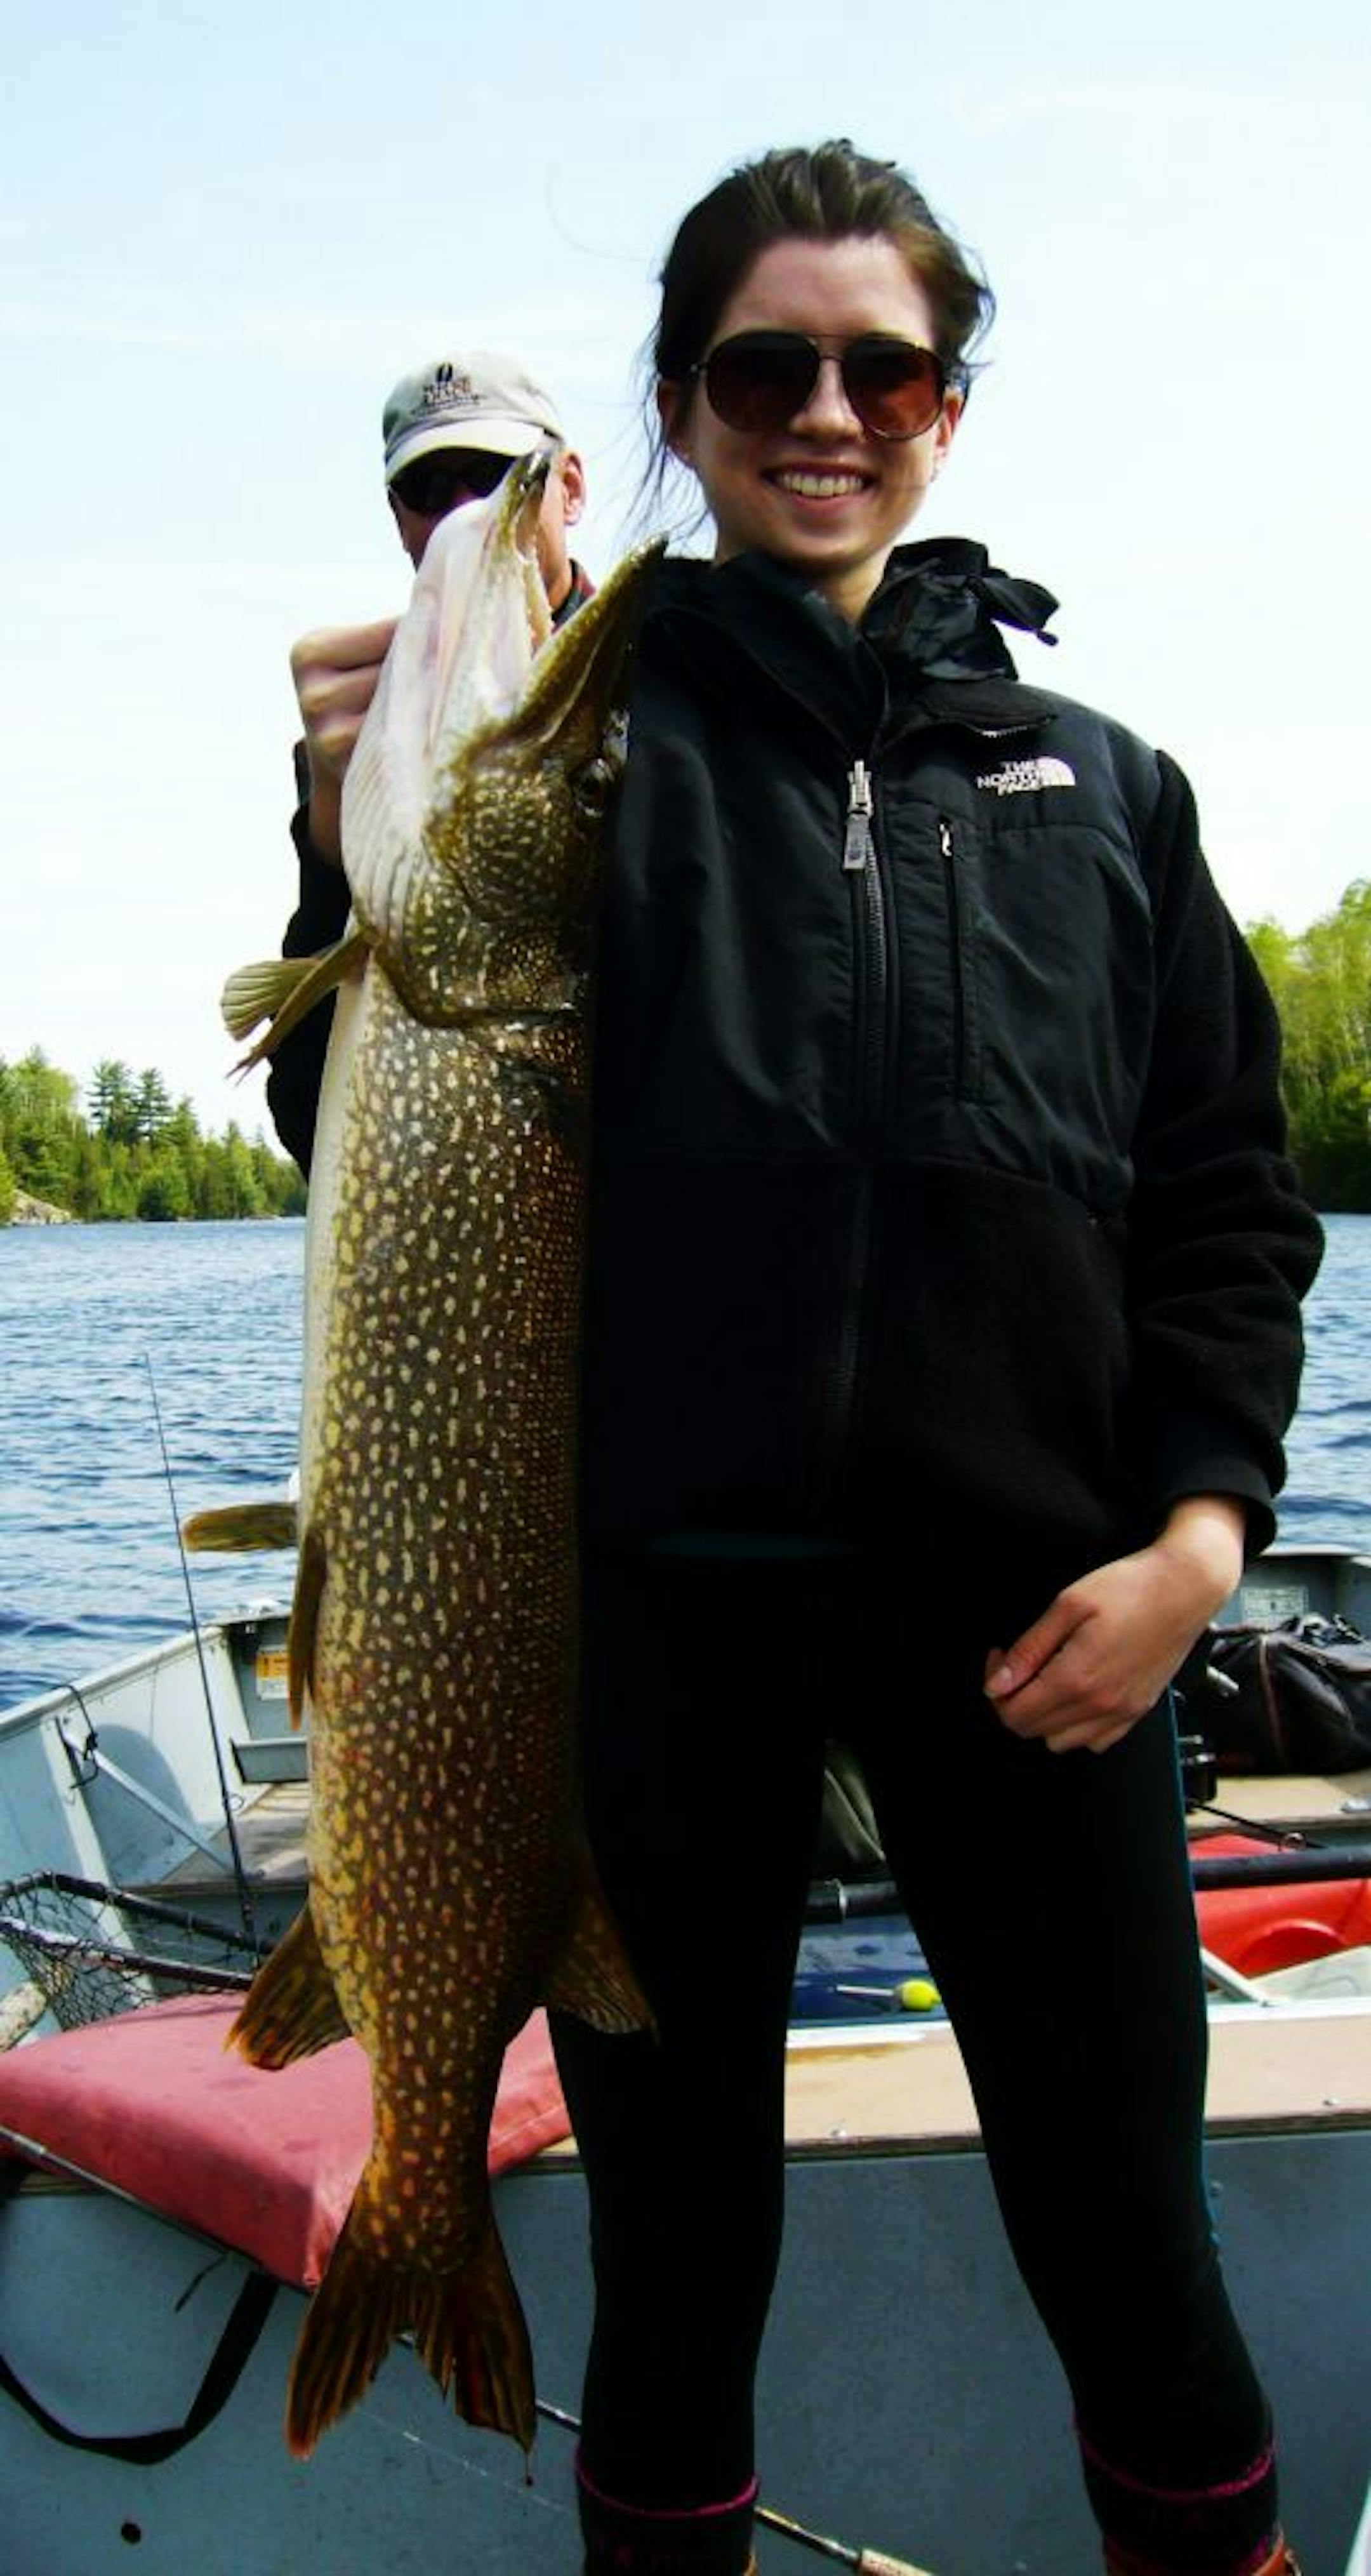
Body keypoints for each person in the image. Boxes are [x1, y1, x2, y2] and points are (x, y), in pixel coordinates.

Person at [266, 146, 1322, 2576]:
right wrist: (337, 853)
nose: (825, 409)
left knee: (1134, 2255)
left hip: (1038, 1640)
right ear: (683, 403)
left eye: (885, 366)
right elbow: (384, 1136)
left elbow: (1229, 1208)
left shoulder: (1106, 793)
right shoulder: (589, 767)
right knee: (679, 2279)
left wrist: (1197, 1533)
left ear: (949, 407)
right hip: (661, 1656)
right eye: (764, 367)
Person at [267, 350, 590, 1171]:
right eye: (428, 490)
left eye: (493, 475)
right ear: (398, 517)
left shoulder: (664, 686)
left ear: (572, 488)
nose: (464, 516)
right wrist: (329, 847)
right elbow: (311, 1124)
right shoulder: (364, 730)